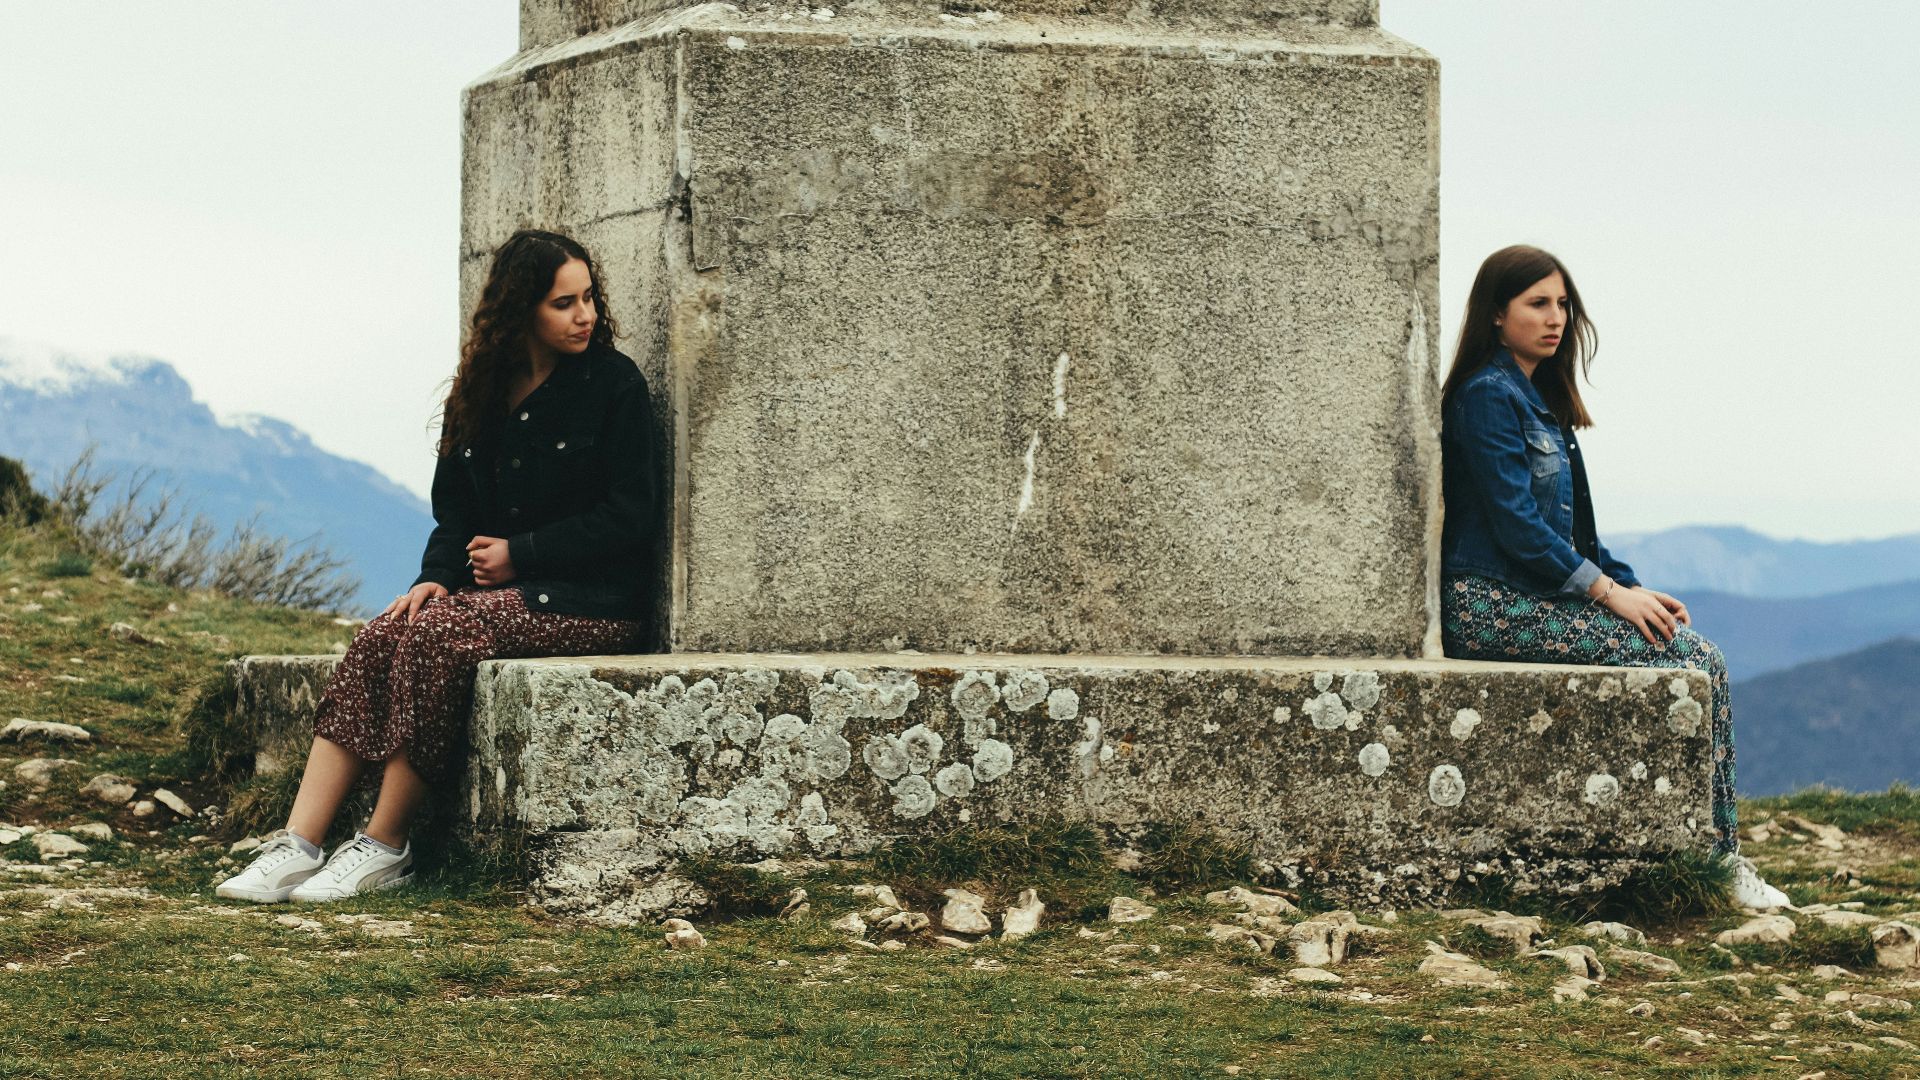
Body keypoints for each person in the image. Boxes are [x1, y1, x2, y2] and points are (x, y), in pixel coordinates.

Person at [216, 229, 659, 902]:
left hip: (590, 602)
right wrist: (433, 578)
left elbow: (631, 516)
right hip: (496, 600)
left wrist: (521, 554)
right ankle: (298, 845)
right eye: (564, 303)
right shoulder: (477, 392)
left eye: (589, 297)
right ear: (521, 311)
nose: (585, 316)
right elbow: (454, 516)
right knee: (384, 631)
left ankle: (384, 845)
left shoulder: (614, 385)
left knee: (439, 634)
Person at [1438, 244, 1789, 910]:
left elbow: (1578, 535)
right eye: (1538, 304)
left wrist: (1631, 585)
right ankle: (1718, 861)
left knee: (1701, 656)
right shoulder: (1486, 397)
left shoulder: (1537, 398)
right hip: (1488, 604)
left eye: (1563, 304)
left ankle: (1719, 855)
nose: (1556, 318)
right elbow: (1517, 527)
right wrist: (1608, 594)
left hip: (1533, 595)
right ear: (1496, 314)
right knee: (1694, 658)